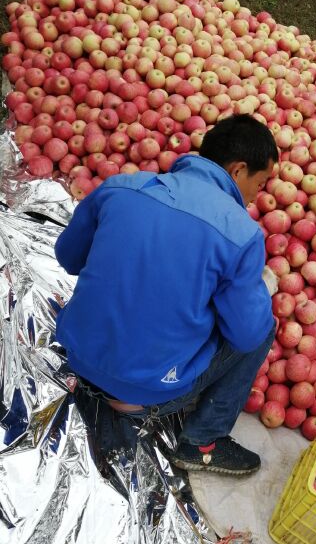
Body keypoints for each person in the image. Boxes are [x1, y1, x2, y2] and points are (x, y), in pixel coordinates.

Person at [54, 114, 279, 475]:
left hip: (78, 358)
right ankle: (203, 440)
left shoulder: (119, 188)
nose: (257, 194)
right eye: (261, 182)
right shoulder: (240, 234)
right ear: (238, 171)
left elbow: (67, 256)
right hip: (144, 394)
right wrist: (257, 291)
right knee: (263, 324)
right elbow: (247, 335)